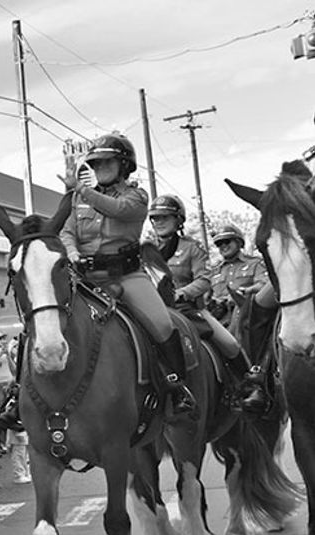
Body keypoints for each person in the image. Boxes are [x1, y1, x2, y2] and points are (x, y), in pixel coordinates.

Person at [60, 133, 195, 415]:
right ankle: (18, 394)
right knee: (46, 319)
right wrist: (71, 251)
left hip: (126, 276)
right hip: (86, 279)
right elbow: (67, 231)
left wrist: (81, 191)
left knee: (162, 324)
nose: (99, 167)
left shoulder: (136, 196)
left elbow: (118, 210)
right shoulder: (77, 200)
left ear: (124, 165)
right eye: (95, 163)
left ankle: (178, 386)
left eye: (107, 162)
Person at [147, 197, 266, 413]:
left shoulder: (192, 248)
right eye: (154, 218)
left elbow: (204, 279)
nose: (159, 222)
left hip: (188, 309)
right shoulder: (146, 250)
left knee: (229, 343)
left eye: (164, 217)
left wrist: (181, 293)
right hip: (155, 310)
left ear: (178, 220)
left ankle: (250, 387)